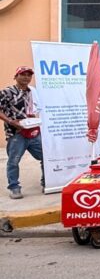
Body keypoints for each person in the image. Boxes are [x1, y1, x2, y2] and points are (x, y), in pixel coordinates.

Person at [0, 67, 44, 199]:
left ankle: (46, 182)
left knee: (45, 158)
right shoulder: (7, 92)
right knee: (14, 161)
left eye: (28, 75)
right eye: (22, 75)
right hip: (16, 133)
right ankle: (14, 187)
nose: (26, 77)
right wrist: (10, 121)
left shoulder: (33, 92)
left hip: (34, 131)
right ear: (16, 76)